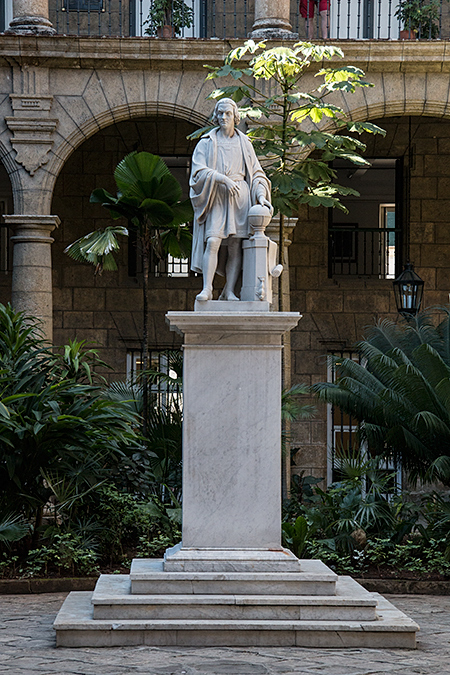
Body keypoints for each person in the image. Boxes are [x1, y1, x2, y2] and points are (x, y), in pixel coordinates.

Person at [190, 98, 272, 302]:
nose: (223, 117)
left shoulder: (245, 143)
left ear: (236, 117)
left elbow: (256, 173)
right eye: (220, 113)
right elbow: (198, 173)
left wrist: (261, 196)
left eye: (228, 113)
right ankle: (207, 289)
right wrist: (221, 178)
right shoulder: (206, 142)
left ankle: (229, 290)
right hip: (216, 195)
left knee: (236, 245)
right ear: (215, 116)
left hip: (240, 196)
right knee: (213, 241)